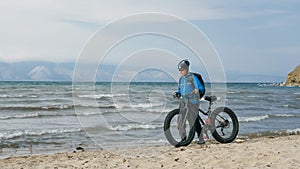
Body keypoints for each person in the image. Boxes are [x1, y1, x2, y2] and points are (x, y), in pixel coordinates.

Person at [174, 59, 205, 147]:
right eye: (180, 70)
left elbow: (201, 88)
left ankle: (201, 139)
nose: (181, 72)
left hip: (193, 101)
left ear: (187, 69)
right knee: (180, 120)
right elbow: (180, 90)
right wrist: (178, 93)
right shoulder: (181, 79)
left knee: (193, 121)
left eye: (182, 70)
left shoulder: (192, 77)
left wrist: (197, 90)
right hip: (183, 101)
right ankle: (183, 139)